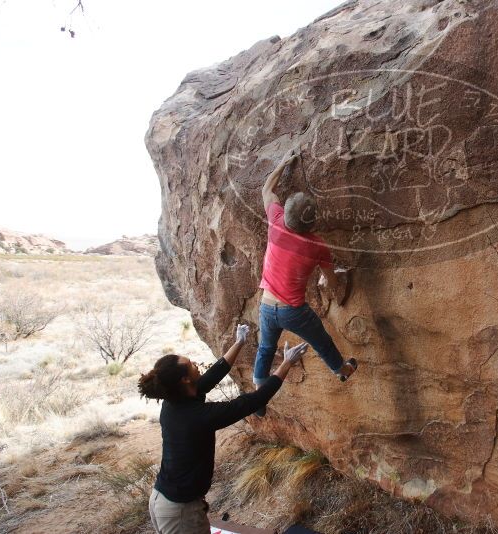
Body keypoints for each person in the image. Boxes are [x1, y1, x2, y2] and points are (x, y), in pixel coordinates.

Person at [139, 323, 308, 534]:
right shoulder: (197, 416)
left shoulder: (175, 399)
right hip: (180, 510)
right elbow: (254, 400)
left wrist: (240, 342)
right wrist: (287, 363)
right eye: (191, 364)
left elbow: (211, 376)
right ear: (185, 379)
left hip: (165, 501)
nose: (195, 365)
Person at [253, 149, 357, 416]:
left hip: (267, 305)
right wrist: (338, 292)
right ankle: (342, 370)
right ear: (311, 222)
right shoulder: (317, 246)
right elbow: (331, 279)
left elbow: (267, 189)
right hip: (293, 311)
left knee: (265, 348)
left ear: (285, 215)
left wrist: (283, 163)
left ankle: (258, 392)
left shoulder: (275, 223)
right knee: (321, 341)